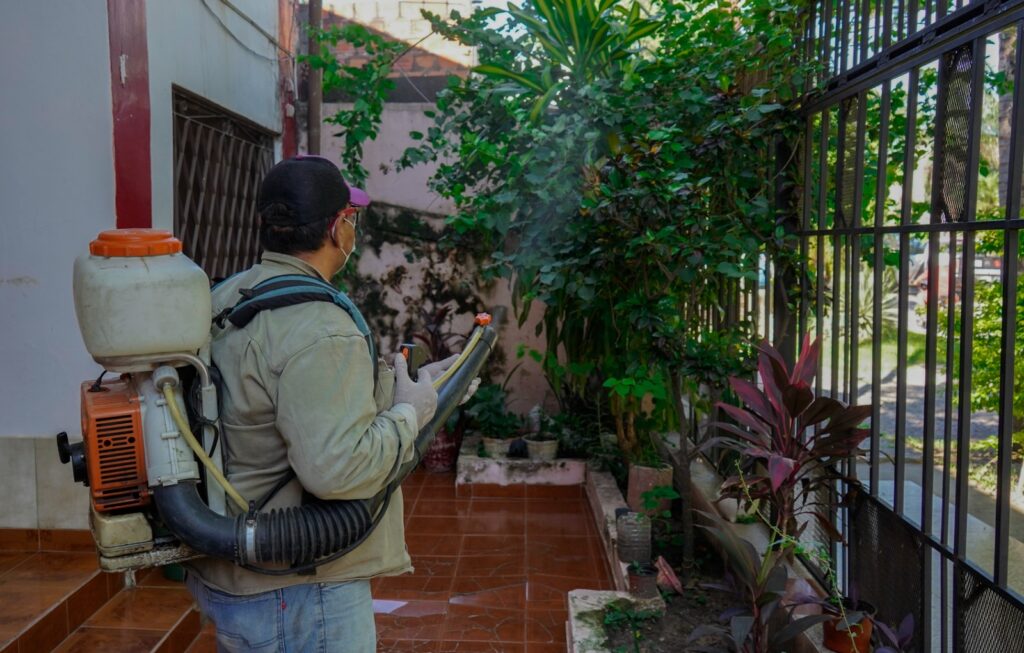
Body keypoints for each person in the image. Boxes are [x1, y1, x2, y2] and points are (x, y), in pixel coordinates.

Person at [184, 155, 457, 652]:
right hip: (298, 587)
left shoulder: (226, 296)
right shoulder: (321, 327)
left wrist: (405, 389)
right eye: (351, 219)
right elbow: (337, 470)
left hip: (236, 569)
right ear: (337, 227)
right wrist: (409, 414)